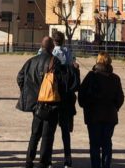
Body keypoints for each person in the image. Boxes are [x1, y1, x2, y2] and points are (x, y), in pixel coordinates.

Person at [18, 36, 75, 168]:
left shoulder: (31, 61)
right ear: (51, 48)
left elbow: (20, 77)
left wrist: (28, 92)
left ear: (41, 46)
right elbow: (61, 81)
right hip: (49, 103)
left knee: (34, 133)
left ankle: (29, 160)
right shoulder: (53, 61)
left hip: (35, 103)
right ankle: (43, 162)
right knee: (47, 134)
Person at [77, 52, 124, 168]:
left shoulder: (91, 76)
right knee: (107, 143)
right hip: (109, 116)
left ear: (98, 61)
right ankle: (106, 165)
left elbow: (81, 95)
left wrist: (86, 106)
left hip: (93, 116)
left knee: (94, 144)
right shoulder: (114, 78)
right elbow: (120, 98)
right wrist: (115, 107)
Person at [50, 31, 79, 168]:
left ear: (54, 41)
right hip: (67, 98)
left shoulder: (51, 54)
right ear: (63, 41)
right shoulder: (68, 53)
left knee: (49, 131)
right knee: (65, 131)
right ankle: (68, 159)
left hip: (53, 97)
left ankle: (47, 158)